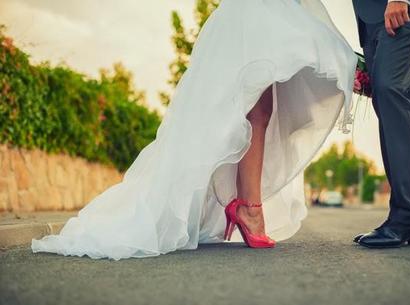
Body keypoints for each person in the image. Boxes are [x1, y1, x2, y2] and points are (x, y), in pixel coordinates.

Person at [31, 0, 357, 260]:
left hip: (275, 12)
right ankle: (247, 208)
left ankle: (246, 205)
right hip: (253, 14)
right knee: (245, 108)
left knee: (257, 109)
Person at [352, 0, 410, 248]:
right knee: (407, 103)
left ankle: (406, 215)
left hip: (398, 6)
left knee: (389, 91)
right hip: (371, 16)